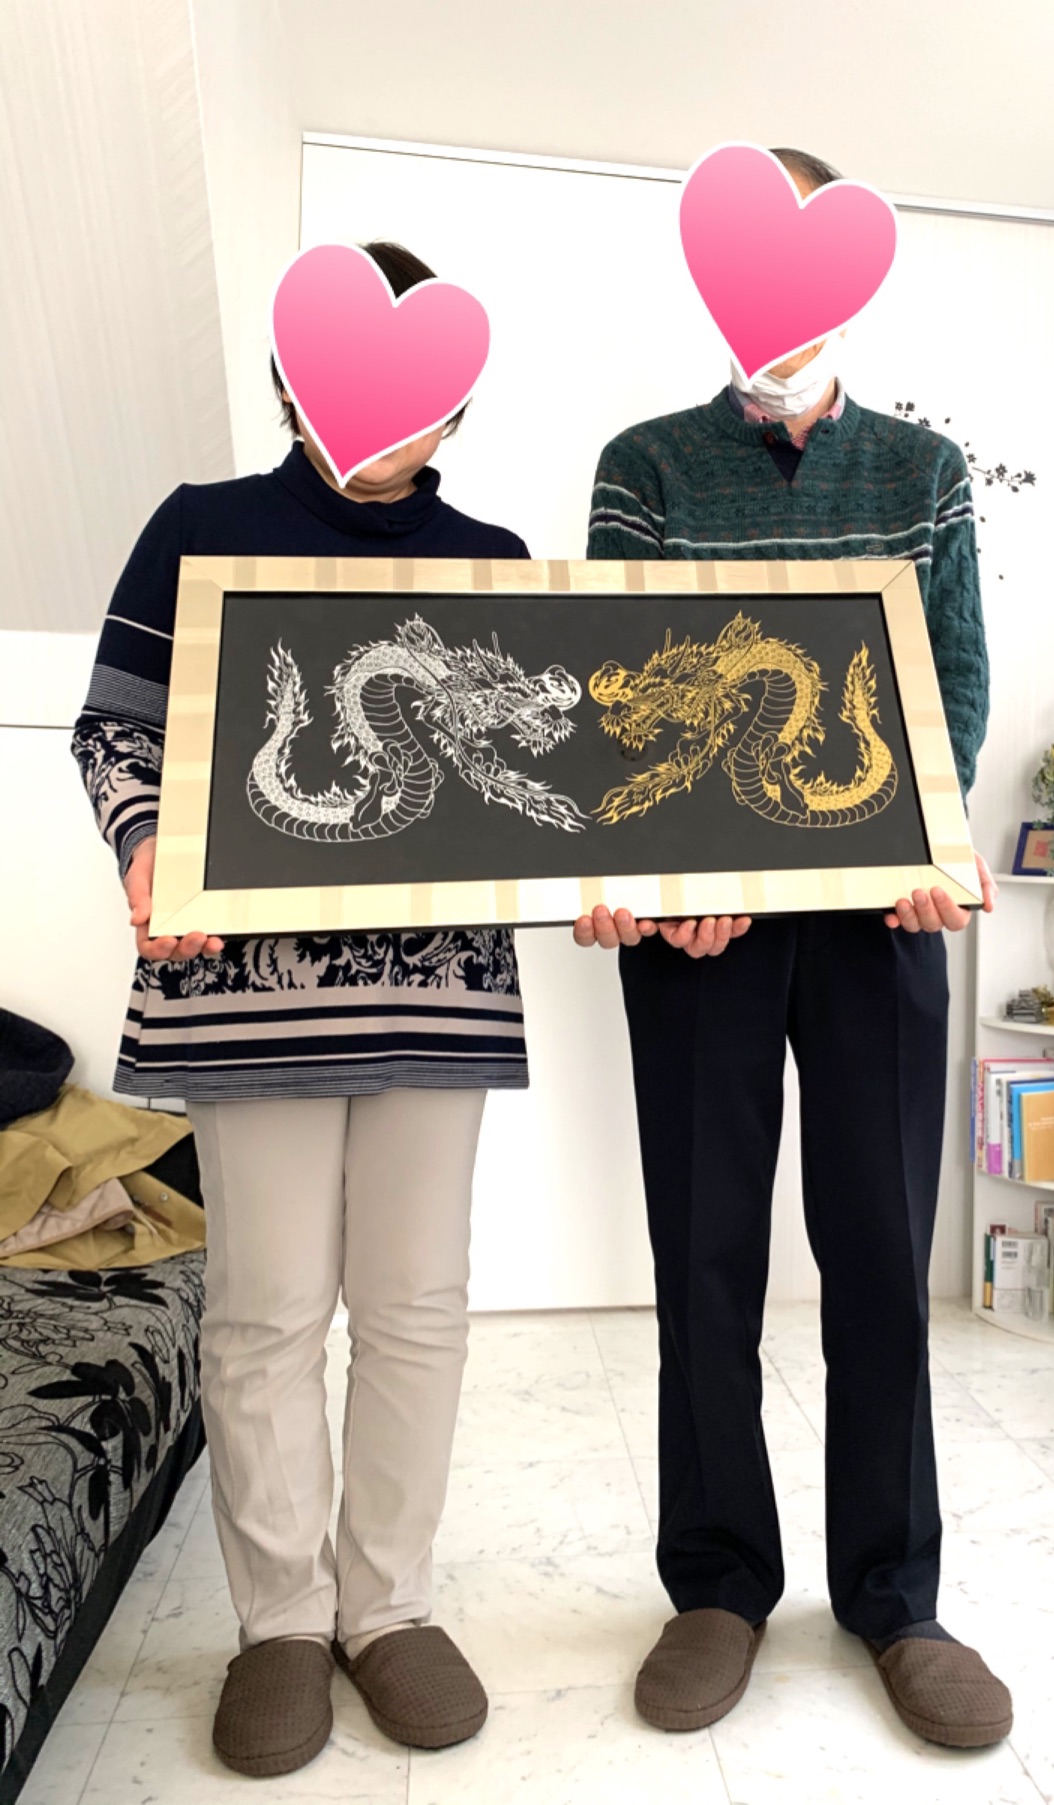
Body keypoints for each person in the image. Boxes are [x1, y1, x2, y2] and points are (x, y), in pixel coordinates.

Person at [73, 242, 529, 1777]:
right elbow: (117, 725)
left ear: (454, 408)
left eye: (421, 396)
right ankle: (281, 1621)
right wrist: (147, 843)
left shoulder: (495, 559)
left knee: (416, 1305)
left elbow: (542, 776)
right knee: (266, 1309)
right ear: (290, 380)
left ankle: (386, 1606)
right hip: (244, 997)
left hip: (437, 991)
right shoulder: (198, 529)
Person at [576, 148, 1012, 1750]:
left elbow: (952, 681)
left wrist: (926, 846)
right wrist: (655, 869)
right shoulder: (647, 467)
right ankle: (716, 1582)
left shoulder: (924, 470)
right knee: (704, 1250)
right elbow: (620, 681)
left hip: (880, 916)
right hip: (703, 927)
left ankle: (897, 1595)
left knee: (882, 1251)